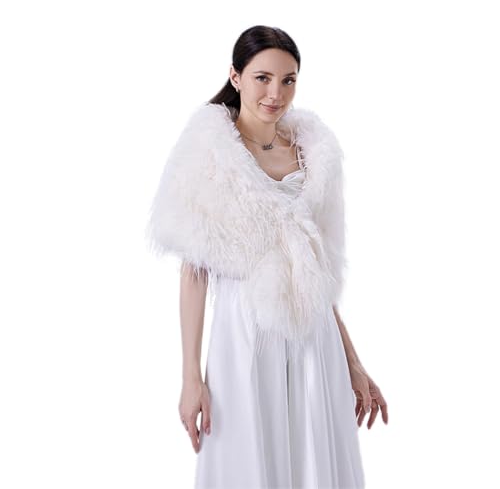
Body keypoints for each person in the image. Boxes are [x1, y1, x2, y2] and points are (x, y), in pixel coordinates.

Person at [146, 25, 388, 489]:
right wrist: (191, 377)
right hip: (244, 333)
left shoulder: (313, 155)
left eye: (288, 80)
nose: (276, 93)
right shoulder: (209, 155)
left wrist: (353, 363)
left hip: (314, 340)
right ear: (235, 77)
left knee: (314, 461)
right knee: (248, 458)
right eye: (263, 78)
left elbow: (317, 274)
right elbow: (194, 273)